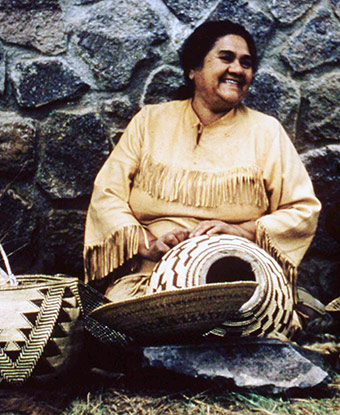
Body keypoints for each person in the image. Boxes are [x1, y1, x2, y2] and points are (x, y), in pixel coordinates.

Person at [84, 21, 321, 331]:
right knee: (124, 327)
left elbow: (303, 208)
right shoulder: (150, 121)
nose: (238, 68)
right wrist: (148, 243)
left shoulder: (266, 131)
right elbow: (107, 194)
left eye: (246, 62)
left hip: (238, 281)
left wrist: (241, 231)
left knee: (244, 327)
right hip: (153, 275)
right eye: (226, 57)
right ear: (193, 69)